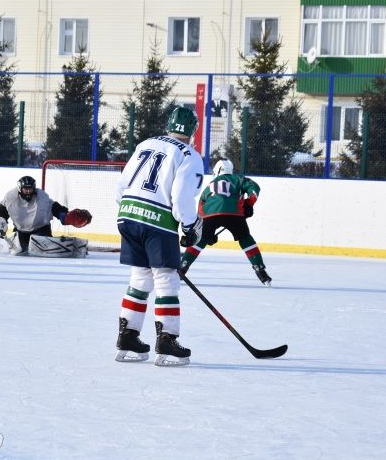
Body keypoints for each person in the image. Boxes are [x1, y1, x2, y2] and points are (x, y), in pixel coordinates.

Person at [114, 106, 204, 367]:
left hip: (128, 214)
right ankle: (167, 339)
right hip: (157, 221)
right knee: (166, 280)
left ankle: (128, 336)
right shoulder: (189, 155)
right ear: (193, 130)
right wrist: (189, 227)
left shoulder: (146, 143)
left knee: (141, 276)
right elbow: (181, 198)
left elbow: (121, 185)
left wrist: (130, 212)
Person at [180, 158, 271, 286]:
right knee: (246, 239)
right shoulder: (238, 179)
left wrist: (206, 233)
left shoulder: (210, 185)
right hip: (234, 214)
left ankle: (183, 267)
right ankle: (260, 269)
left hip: (209, 214)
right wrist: (249, 203)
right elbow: (254, 188)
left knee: (199, 240)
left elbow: (201, 205)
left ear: (217, 171)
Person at [0, 175, 92, 256]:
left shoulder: (42, 197)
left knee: (38, 244)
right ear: (20, 188)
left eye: (30, 189)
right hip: (20, 231)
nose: (28, 191)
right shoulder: (10, 198)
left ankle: (52, 245)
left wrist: (65, 216)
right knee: (19, 251)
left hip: (41, 230)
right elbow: (1, 215)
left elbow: (55, 208)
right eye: (26, 189)